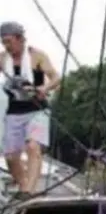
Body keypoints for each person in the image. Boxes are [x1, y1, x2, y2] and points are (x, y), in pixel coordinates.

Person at [0, 21, 61, 199]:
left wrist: (45, 89)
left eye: (9, 42)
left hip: (37, 110)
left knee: (33, 146)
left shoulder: (36, 56)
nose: (7, 46)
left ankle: (29, 192)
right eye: (4, 43)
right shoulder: (3, 59)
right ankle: (24, 185)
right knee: (11, 156)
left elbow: (55, 77)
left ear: (20, 39)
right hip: (14, 112)